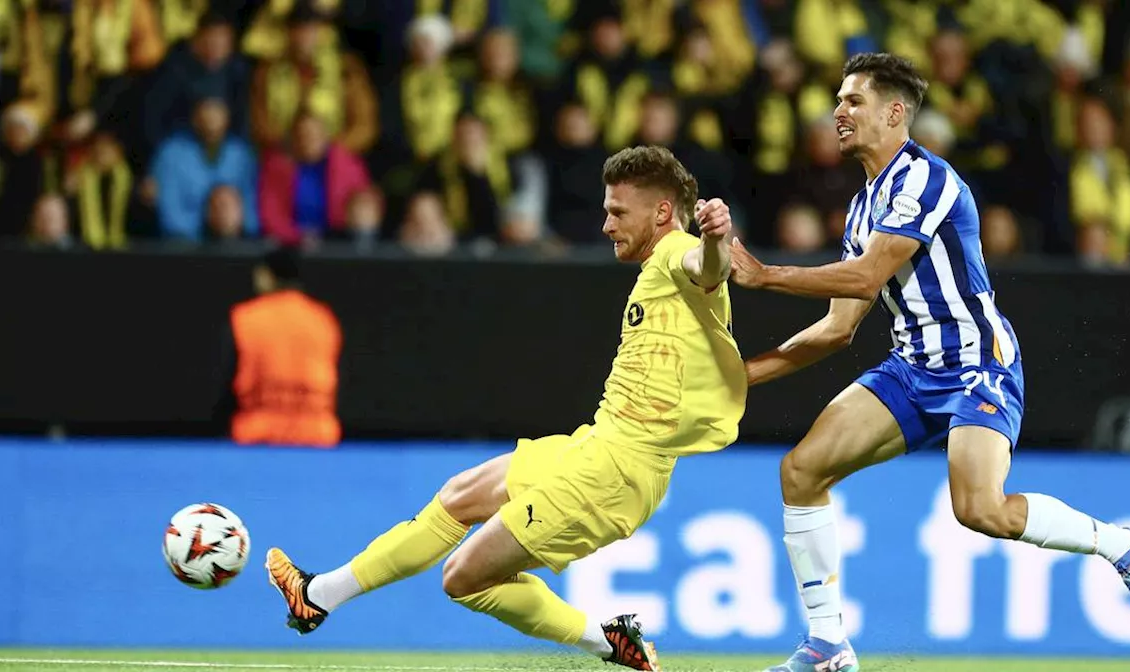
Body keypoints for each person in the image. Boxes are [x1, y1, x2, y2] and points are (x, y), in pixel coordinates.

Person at [727, 54, 1130, 672]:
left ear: (895, 112)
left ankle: (1125, 545)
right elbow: (836, 328)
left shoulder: (926, 179)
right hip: (910, 371)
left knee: (979, 510)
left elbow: (867, 275)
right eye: (838, 99)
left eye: (854, 100)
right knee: (801, 471)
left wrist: (763, 274)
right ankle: (827, 646)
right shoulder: (862, 209)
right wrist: (741, 377)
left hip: (975, 366)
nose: (839, 110)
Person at [264, 146, 743, 671]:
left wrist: (714, 240)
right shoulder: (657, 269)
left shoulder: (677, 250)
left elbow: (707, 265)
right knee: (457, 498)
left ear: (661, 213)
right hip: (595, 446)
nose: (606, 224)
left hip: (615, 472)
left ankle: (609, 643)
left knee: (463, 577)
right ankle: (318, 595)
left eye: (617, 212)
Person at [214, 246, 343, 447]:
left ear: (266, 276)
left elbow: (226, 383)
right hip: (317, 436)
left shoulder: (244, 318)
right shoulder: (323, 319)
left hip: (257, 435)